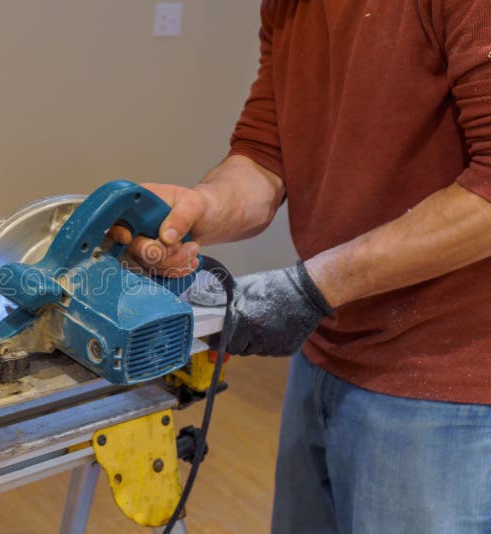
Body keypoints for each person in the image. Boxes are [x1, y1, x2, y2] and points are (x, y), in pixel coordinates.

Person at [114, 1, 491, 532]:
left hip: (447, 386)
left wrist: (311, 287)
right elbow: (265, 153)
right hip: (327, 348)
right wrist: (201, 207)